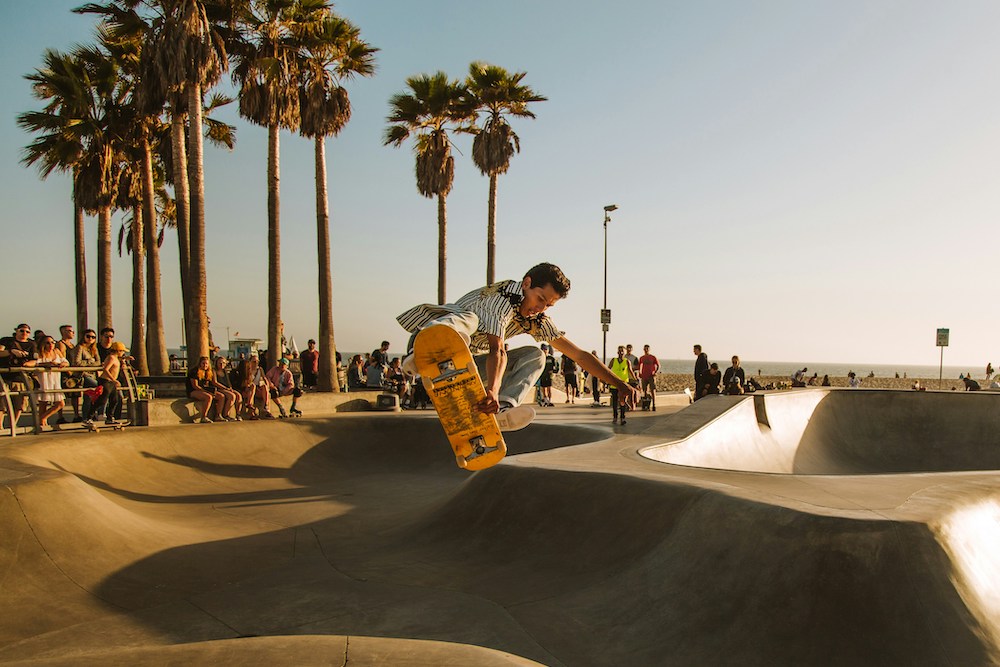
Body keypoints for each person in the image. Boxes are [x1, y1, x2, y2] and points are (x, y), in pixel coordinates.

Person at [397, 263, 639, 431]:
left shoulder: (537, 320)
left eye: (548, 305)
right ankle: (425, 354)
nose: (540, 308)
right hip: (426, 341)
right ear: (526, 284)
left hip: (464, 365)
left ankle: (502, 410)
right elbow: (498, 351)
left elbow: (579, 356)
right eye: (540, 299)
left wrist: (620, 384)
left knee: (536, 356)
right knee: (469, 319)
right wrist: (492, 388)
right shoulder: (502, 298)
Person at [0, 323, 38, 428]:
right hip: (4, 376)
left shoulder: (32, 344)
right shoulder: (6, 341)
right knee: (2, 404)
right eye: (22, 330)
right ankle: (0, 426)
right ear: (16, 331)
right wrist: (11, 352)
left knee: (19, 404)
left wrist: (26, 365)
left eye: (27, 332)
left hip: (20, 378)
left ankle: (13, 425)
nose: (24, 333)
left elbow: (34, 360)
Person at [84, 342, 127, 427]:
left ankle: (109, 418)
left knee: (114, 400)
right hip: (106, 381)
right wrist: (114, 380)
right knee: (101, 401)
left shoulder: (116, 358)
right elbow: (106, 369)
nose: (123, 353)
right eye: (122, 351)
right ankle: (88, 418)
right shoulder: (111, 358)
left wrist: (126, 358)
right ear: (118, 351)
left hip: (111, 383)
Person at [33, 336, 69, 430]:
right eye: (48, 343)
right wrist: (47, 364)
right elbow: (35, 363)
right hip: (44, 378)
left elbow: (66, 361)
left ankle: (41, 418)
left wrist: (63, 364)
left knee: (60, 403)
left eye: (52, 342)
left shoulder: (56, 351)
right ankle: (41, 424)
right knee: (43, 403)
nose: (51, 345)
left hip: (55, 379)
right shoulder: (39, 353)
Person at [186, 356, 225, 423]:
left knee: (221, 396)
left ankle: (218, 415)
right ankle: (204, 417)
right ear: (200, 364)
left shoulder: (208, 372)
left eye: (206, 363)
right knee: (208, 397)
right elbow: (195, 386)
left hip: (205, 390)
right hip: (193, 391)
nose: (205, 365)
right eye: (203, 363)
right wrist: (206, 391)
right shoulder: (194, 371)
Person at [608, 345, 638, 425]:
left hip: (623, 384)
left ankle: (622, 417)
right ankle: (615, 417)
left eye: (622, 351)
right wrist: (606, 379)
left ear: (624, 353)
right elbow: (608, 369)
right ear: (617, 352)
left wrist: (636, 380)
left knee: (623, 401)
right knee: (615, 401)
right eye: (619, 351)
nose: (621, 352)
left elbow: (630, 371)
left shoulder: (627, 361)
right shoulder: (613, 360)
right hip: (614, 383)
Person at [213, 356, 244, 421]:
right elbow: (215, 382)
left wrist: (230, 388)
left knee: (238, 395)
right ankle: (225, 414)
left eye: (223, 363)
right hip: (218, 389)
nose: (221, 364)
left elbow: (228, 382)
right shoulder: (214, 371)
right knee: (231, 396)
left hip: (226, 388)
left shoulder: (225, 371)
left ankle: (238, 414)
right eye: (220, 363)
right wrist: (225, 388)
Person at [637, 344, 659, 410]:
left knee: (652, 390)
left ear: (649, 349)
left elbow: (658, 365)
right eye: (645, 349)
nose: (646, 350)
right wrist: (640, 373)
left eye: (647, 349)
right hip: (644, 376)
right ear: (643, 349)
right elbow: (639, 366)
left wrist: (655, 372)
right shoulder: (642, 358)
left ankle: (654, 404)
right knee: (645, 390)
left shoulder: (653, 357)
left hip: (651, 376)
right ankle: (646, 404)